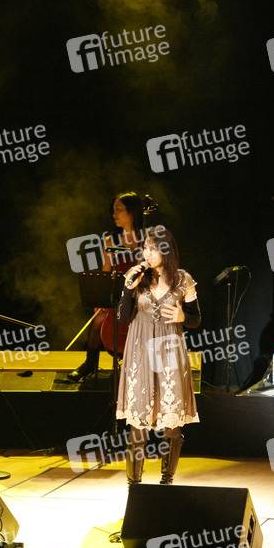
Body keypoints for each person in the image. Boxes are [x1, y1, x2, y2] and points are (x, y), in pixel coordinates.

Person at [116, 227, 200, 486]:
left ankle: (167, 481)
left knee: (172, 422)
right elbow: (122, 316)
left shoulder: (183, 279)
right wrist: (127, 289)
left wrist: (183, 317)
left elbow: (196, 319)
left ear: (166, 250)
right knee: (138, 423)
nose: (147, 254)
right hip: (140, 349)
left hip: (169, 349)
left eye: (153, 248)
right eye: (145, 248)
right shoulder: (138, 277)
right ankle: (134, 485)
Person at [69, 192, 145, 381]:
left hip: (140, 294)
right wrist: (102, 299)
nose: (114, 214)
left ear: (132, 212)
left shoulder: (146, 240)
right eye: (113, 210)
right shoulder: (111, 241)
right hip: (117, 292)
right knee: (97, 320)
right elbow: (106, 271)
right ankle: (90, 364)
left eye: (119, 209)